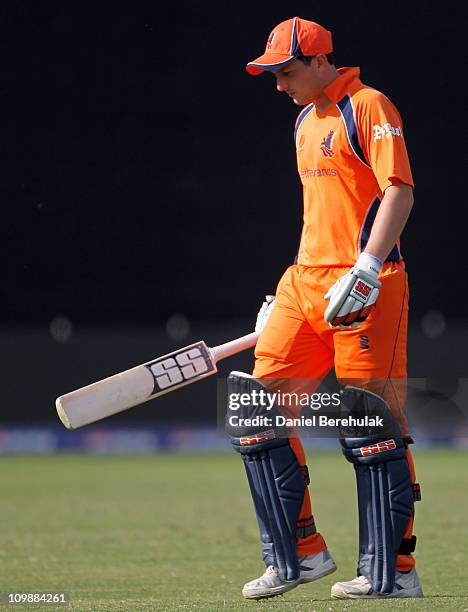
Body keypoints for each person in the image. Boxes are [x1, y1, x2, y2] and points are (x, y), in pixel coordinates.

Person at [226, 17, 423, 600]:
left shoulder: (369, 105)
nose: (278, 84)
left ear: (318, 62)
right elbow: (322, 211)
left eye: (285, 72)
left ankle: (396, 574)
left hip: (367, 283)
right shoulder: (302, 121)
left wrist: (367, 264)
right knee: (257, 414)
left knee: (371, 427)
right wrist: (285, 301)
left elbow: (400, 190)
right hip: (304, 282)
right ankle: (300, 557)